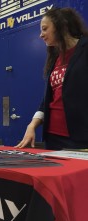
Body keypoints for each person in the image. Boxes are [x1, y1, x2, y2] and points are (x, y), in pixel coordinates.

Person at [16, 7, 88, 150]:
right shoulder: (55, 57)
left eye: (44, 29)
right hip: (53, 137)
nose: (41, 35)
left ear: (61, 26)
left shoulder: (85, 48)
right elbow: (47, 100)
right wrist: (32, 125)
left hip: (80, 138)